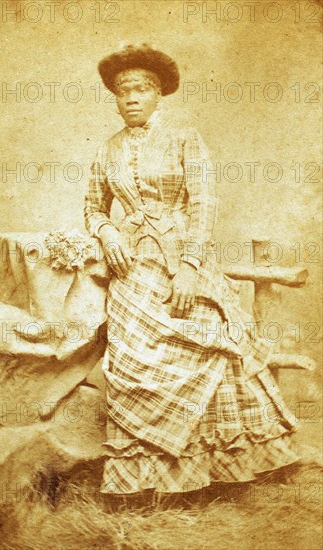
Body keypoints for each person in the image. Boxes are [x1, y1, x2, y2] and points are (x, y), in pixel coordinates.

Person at [84, 43, 299, 501]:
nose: (131, 99)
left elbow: (203, 205)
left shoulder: (185, 138)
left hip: (184, 256)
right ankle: (145, 482)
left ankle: (218, 472)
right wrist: (108, 233)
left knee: (206, 350)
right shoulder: (108, 149)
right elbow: (91, 208)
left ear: (159, 94)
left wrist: (189, 268)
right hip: (134, 265)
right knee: (134, 359)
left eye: (141, 89)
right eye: (123, 92)